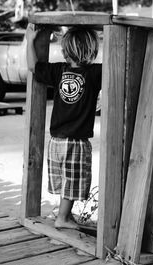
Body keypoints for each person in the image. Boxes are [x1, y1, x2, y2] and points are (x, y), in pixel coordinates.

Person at [26, 23, 102, 229]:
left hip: (56, 140)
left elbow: (33, 67)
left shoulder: (59, 70)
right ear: (91, 50)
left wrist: (30, 41)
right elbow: (121, 64)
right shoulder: (95, 73)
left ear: (65, 50)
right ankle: (62, 218)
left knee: (65, 181)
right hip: (76, 141)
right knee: (73, 182)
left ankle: (64, 215)